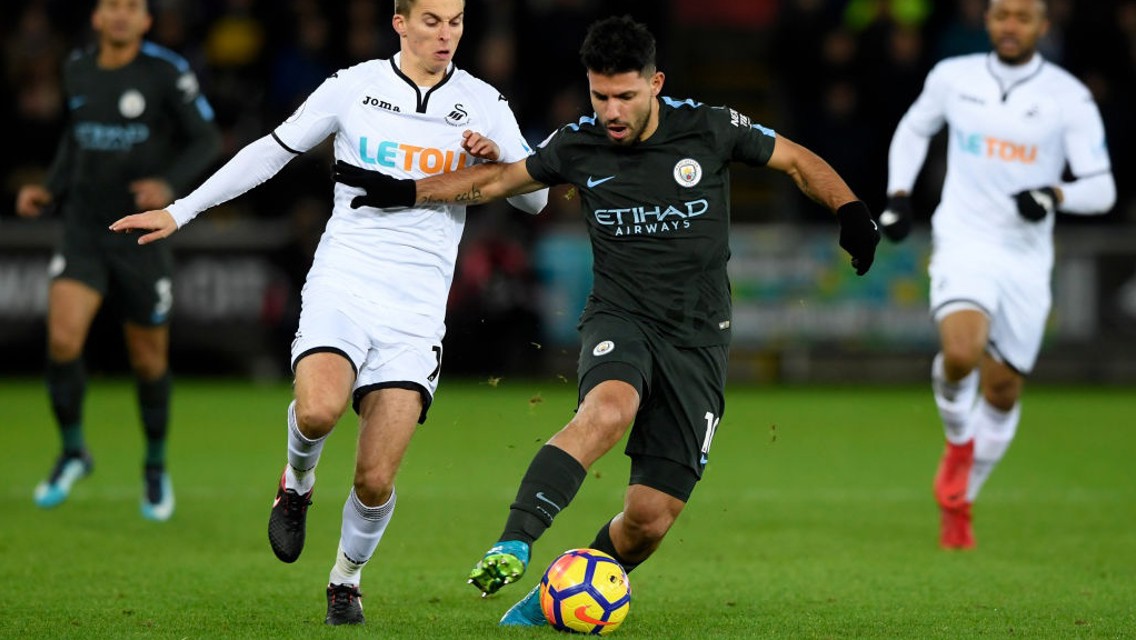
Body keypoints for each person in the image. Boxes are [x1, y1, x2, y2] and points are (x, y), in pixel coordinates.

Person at [329, 14, 881, 627]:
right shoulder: (578, 144)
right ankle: (514, 540)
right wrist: (408, 192)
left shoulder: (710, 128)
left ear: (656, 83)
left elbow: (799, 161)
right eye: (600, 95)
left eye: (626, 95)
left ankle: (549, 599)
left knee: (649, 520)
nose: (612, 110)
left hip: (698, 339)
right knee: (609, 409)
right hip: (621, 316)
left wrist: (851, 209)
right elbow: (498, 183)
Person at [109, 0, 547, 626]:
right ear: (400, 23)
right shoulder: (355, 86)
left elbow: (532, 201)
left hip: (418, 309)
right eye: (431, 21)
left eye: (454, 22)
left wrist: (491, 164)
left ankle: (346, 578)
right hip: (345, 280)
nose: (446, 34)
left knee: (374, 479)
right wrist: (183, 210)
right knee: (318, 409)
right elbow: (272, 150)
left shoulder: (483, 103)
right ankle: (298, 482)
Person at [878, 0, 1115, 549]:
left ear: (1043, 25)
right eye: (1002, 14)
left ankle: (961, 497)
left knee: (1003, 389)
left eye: (1023, 16)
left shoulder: (1067, 96)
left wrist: (1053, 193)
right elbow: (914, 130)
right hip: (964, 239)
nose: (1011, 25)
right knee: (962, 352)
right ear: (987, 20)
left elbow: (1101, 186)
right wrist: (897, 195)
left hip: (1027, 257)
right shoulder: (953, 77)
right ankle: (959, 443)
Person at [16, 0, 221, 522]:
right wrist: (50, 188)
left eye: (133, 7)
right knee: (63, 340)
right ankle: (72, 452)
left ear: (146, 21)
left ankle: (154, 466)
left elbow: (206, 138)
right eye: (114, 6)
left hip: (140, 235)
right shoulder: (78, 68)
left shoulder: (166, 72)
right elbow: (77, 138)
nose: (123, 15)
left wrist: (169, 187)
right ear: (97, 17)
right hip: (84, 229)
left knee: (148, 360)